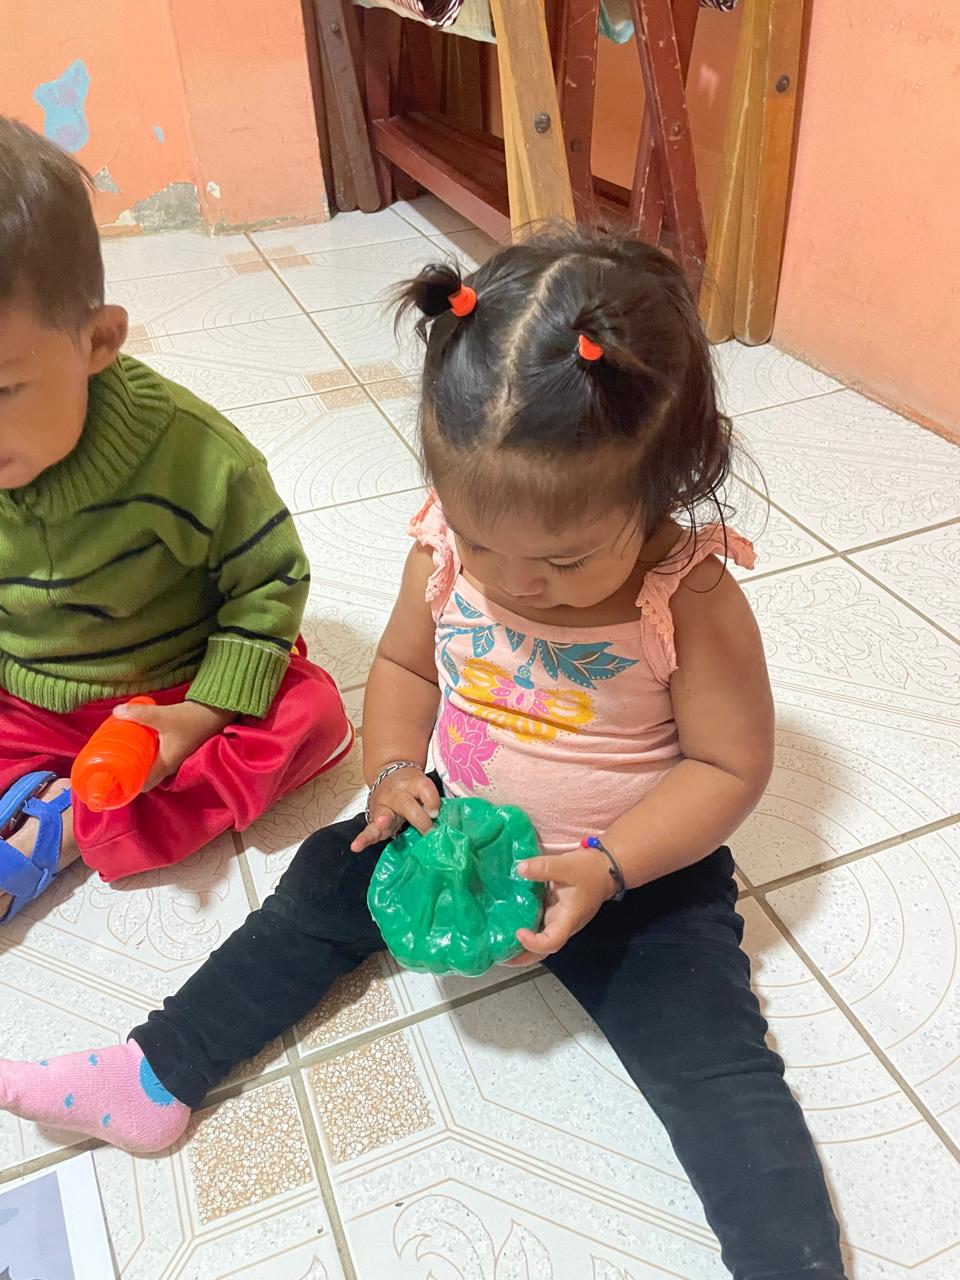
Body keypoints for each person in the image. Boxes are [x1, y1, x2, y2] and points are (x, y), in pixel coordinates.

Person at [0, 226, 845, 1278]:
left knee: (715, 1061)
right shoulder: (445, 549)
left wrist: (613, 863)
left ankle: (790, 1258)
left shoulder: (690, 597)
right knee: (316, 888)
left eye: (566, 557)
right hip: (453, 829)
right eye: (485, 541)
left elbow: (728, 767)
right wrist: (397, 772)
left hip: (635, 874)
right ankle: (157, 1070)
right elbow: (404, 668)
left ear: (661, 486)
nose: (517, 581)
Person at [0, 117, 353, 921]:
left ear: (98, 340)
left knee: (309, 714)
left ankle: (73, 827)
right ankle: (56, 792)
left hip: (168, 693)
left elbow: (270, 582)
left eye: (2, 391)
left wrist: (199, 715)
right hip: (26, 694)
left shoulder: (194, 455)